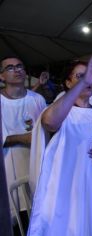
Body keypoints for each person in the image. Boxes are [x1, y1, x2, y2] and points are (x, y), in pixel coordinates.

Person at [28, 56, 92, 235]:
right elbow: (49, 122)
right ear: (68, 82)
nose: (87, 80)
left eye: (89, 76)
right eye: (79, 76)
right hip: (71, 188)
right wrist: (83, 82)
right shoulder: (63, 110)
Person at [0, 56, 46, 229]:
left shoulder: (37, 99)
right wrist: (23, 138)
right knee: (18, 223)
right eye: (10, 68)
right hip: (8, 171)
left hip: (35, 167)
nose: (17, 70)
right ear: (2, 76)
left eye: (20, 66)